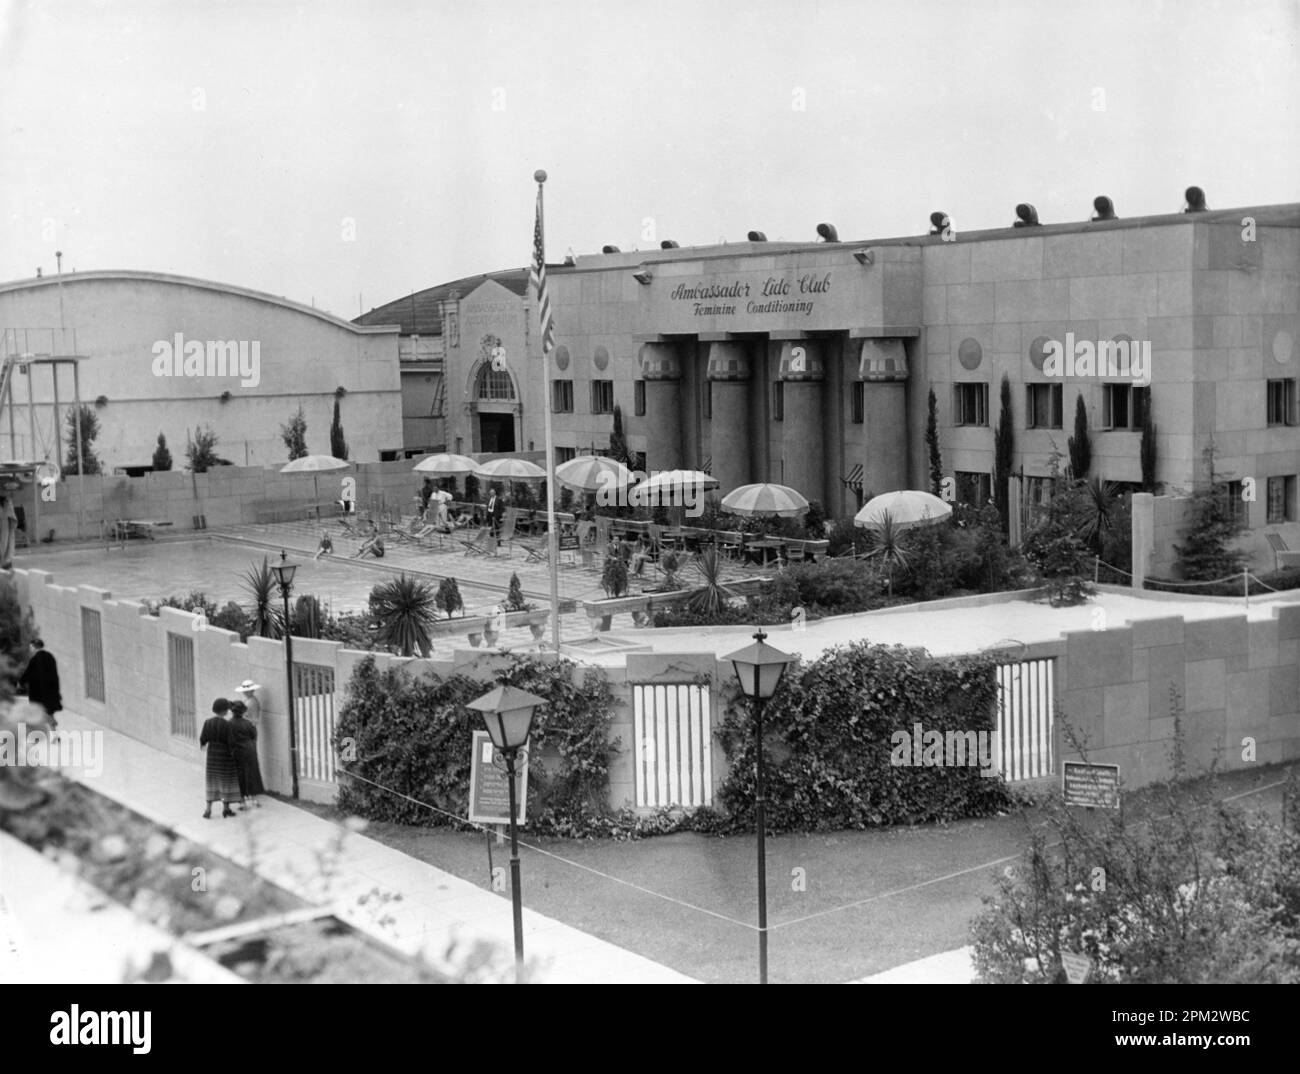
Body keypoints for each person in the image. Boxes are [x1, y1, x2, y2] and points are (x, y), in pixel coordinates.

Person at [199, 699, 241, 818]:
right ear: (224, 711)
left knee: (212, 781)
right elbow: (231, 742)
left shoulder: (208, 722)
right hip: (224, 755)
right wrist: (234, 754)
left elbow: (203, 739)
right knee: (225, 781)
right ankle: (226, 809)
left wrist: (203, 745)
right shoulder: (227, 724)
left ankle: (208, 809)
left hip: (212, 755)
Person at [227, 699, 265, 808]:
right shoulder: (248, 723)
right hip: (249, 751)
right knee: (251, 774)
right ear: (243, 711)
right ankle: (253, 798)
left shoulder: (229, 724)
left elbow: (228, 739)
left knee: (239, 775)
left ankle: (242, 801)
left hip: (237, 752)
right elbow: (254, 735)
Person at [18, 639, 61, 733]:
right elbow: (54, 675)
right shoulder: (50, 657)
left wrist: (20, 683)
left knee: (38, 712)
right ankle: (54, 735)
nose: (30, 649)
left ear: (34, 647)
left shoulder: (35, 659)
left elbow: (28, 673)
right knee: (48, 712)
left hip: (39, 693)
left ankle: (38, 731)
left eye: (30, 647)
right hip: (51, 691)